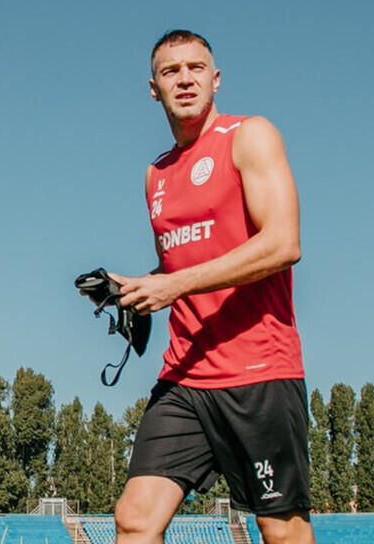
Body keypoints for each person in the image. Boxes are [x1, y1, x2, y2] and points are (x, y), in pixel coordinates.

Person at [110, 30, 315, 544]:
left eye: (196, 68)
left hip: (258, 370)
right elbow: (178, 264)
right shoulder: (155, 175)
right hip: (184, 375)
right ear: (153, 88)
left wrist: (175, 285)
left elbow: (283, 242)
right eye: (170, 71)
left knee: (281, 529)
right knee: (134, 519)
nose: (185, 79)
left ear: (216, 79)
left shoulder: (250, 135)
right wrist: (135, 288)